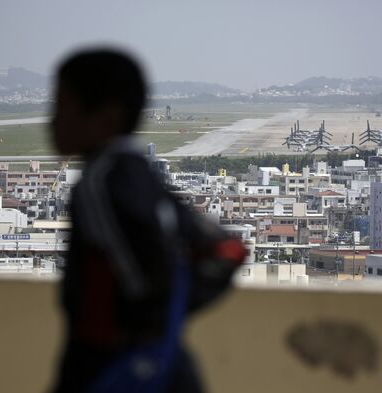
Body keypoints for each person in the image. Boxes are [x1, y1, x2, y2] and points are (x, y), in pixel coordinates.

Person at [50, 48, 246, 393]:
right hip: (168, 367)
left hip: (112, 371)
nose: (52, 121)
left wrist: (142, 325)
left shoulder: (97, 184)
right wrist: (172, 320)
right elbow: (227, 249)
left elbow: (139, 280)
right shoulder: (146, 177)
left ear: (108, 117)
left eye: (63, 107)